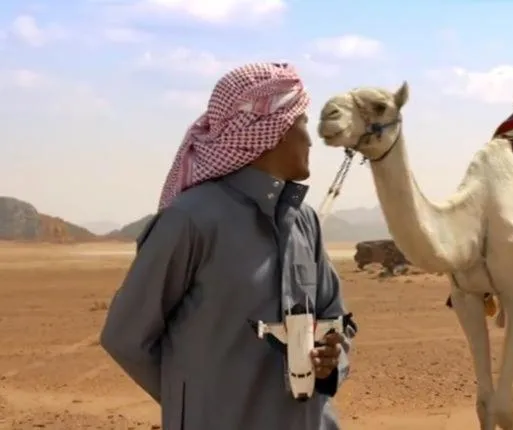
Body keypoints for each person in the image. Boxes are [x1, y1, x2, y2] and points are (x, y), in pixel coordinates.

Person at [99, 63, 357, 430]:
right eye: (302, 124)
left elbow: (335, 318)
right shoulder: (190, 221)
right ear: (271, 131)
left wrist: (332, 359)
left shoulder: (305, 222)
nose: (310, 140)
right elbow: (125, 337)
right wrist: (197, 404)